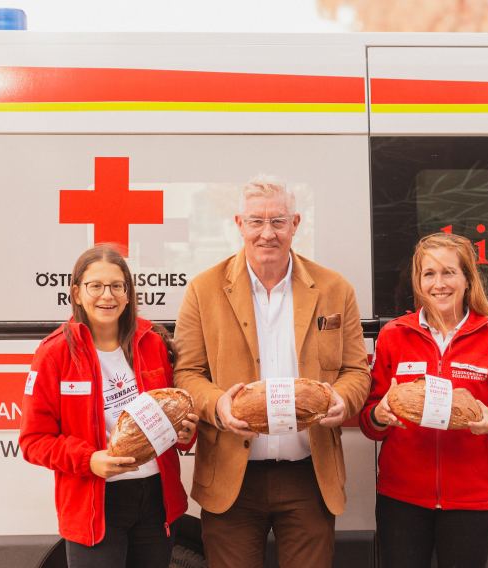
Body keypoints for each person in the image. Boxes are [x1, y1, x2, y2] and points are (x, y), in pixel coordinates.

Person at [173, 176, 370, 568]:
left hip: (308, 475)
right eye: (256, 221)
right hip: (232, 474)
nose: (267, 233)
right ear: (239, 224)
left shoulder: (335, 289)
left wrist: (340, 398)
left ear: (296, 224)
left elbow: (356, 372)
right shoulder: (204, 289)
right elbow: (187, 373)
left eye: (278, 221)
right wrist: (218, 406)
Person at [360, 232, 488, 568]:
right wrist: (380, 416)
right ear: (418, 281)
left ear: (467, 279)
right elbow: (369, 421)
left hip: (471, 502)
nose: (438, 284)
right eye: (429, 274)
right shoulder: (394, 336)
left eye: (448, 273)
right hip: (401, 499)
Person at [19, 244, 199, 568]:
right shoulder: (54, 353)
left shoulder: (151, 342)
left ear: (128, 293)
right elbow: (33, 442)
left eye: (117, 286)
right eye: (96, 286)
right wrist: (89, 460)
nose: (107, 296)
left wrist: (186, 430)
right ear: (76, 293)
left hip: (155, 499)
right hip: (95, 503)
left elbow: (173, 416)